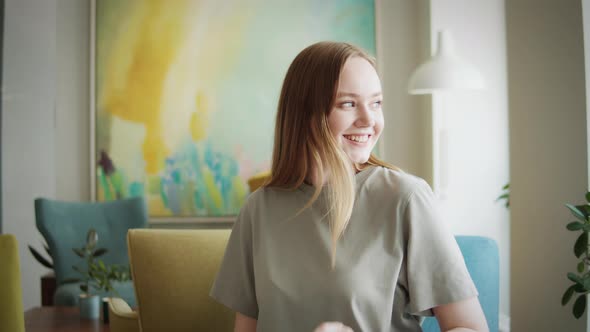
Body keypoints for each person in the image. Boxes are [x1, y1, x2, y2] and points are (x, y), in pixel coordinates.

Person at [210, 41, 489, 332]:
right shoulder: (259, 210)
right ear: (304, 114)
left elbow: (470, 328)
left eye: (376, 103)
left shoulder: (406, 199)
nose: (370, 120)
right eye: (348, 104)